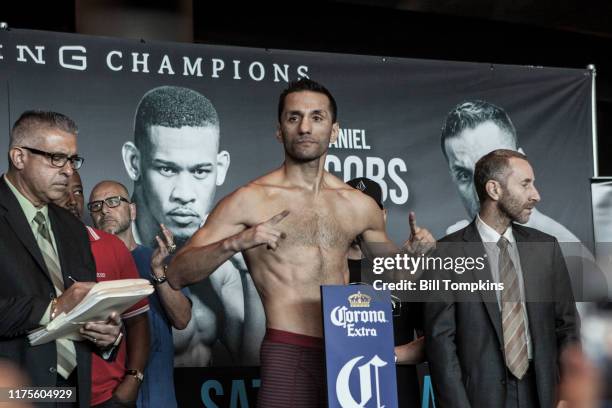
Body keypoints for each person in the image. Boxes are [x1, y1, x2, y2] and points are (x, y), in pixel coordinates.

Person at [166, 79, 434, 407]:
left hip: (352, 351)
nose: (305, 126)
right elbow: (177, 273)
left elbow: (396, 280)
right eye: (294, 117)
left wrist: (413, 257)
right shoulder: (250, 200)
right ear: (280, 130)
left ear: (334, 131)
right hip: (289, 351)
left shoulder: (357, 205)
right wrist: (237, 241)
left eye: (316, 117)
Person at [424, 149, 580, 408]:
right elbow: (441, 344)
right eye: (525, 184)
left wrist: (569, 393)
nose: (536, 195)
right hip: (479, 398)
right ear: (494, 190)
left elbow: (567, 327)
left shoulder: (546, 247)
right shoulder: (446, 253)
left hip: (544, 395)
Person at [122, 85, 263, 365]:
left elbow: (251, 362)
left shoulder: (223, 264)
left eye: (200, 171)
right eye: (167, 169)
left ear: (220, 168)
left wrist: (250, 271)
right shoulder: (117, 256)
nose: (184, 194)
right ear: (134, 162)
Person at [0, 110, 121, 407]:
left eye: (72, 159)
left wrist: (104, 334)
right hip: (13, 393)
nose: (68, 170)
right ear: (19, 157)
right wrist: (53, 308)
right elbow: (60, 306)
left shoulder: (73, 228)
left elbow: (82, 308)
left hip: (70, 392)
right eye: (56, 158)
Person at [87, 180, 191, 407]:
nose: (104, 210)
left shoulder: (159, 259)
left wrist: (158, 273)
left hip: (157, 395)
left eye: (113, 201)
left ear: (132, 210)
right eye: (96, 206)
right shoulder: (83, 265)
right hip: (107, 398)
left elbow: (182, 319)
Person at [56, 172, 150, 408]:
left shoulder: (111, 247)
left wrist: (134, 379)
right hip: (48, 393)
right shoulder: (27, 250)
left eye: (77, 191)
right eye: (62, 190)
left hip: (107, 396)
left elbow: (137, 320)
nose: (71, 200)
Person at [440, 100, 582, 243]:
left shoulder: (563, 247)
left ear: (522, 162)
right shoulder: (456, 245)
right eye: (464, 175)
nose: (480, 193)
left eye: (492, 168)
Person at [346, 177, 424, 407]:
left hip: (399, 393)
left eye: (369, 211)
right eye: (352, 210)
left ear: (384, 215)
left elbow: (435, 341)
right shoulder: (323, 271)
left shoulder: (405, 270)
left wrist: (385, 356)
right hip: (341, 391)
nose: (361, 219)